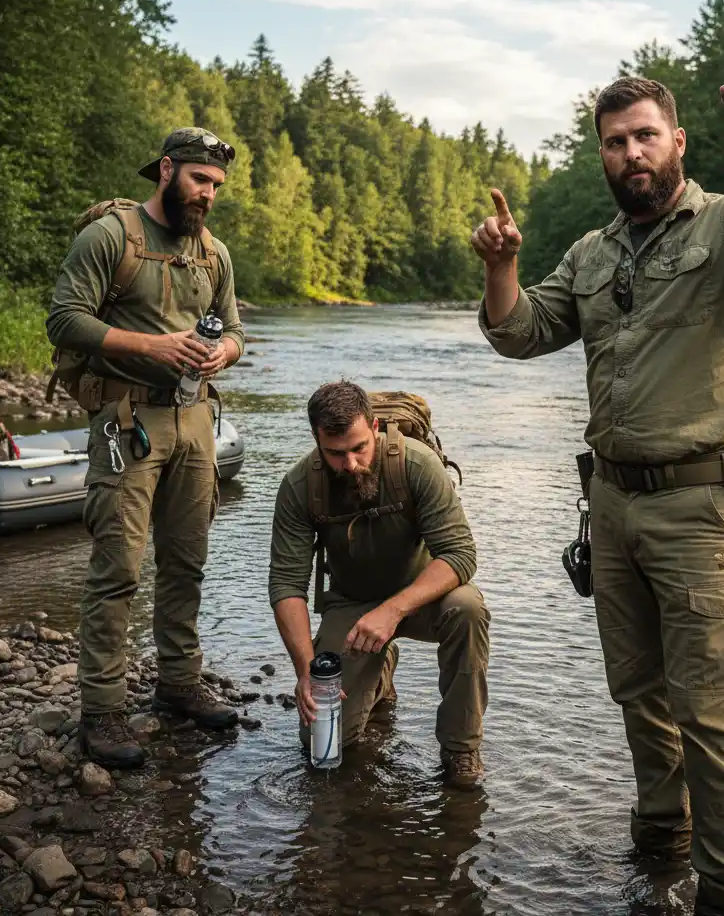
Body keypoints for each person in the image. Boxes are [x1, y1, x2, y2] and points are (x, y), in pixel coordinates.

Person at [471, 63, 724, 914]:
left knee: (711, 711)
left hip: (700, 506)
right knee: (638, 692)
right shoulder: (591, 252)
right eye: (616, 142)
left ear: (679, 141)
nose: (631, 152)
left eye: (646, 135)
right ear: (603, 155)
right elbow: (519, 332)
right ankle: (659, 844)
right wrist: (502, 265)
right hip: (610, 505)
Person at [46, 127, 246, 769]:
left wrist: (222, 352)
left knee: (187, 561)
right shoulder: (111, 235)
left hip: (196, 423)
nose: (208, 194)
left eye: (216, 185)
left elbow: (238, 331)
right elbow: (63, 318)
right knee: (119, 569)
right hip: (124, 421)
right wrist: (152, 347)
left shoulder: (214, 253)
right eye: (198, 180)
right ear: (166, 170)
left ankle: (178, 685)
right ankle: (101, 713)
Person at [268, 380, 490, 789]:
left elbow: (460, 555)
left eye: (358, 448)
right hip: (352, 606)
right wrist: (305, 671)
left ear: (373, 427)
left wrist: (392, 612)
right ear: (317, 440)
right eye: (335, 453)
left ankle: (460, 747)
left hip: (424, 600)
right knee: (322, 745)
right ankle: (380, 668)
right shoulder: (300, 486)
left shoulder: (418, 464)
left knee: (469, 607)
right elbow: (287, 585)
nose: (350, 463)